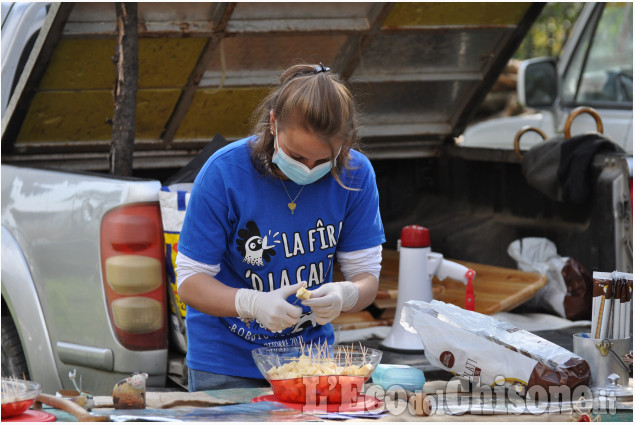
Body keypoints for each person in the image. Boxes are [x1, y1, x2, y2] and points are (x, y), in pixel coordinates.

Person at [176, 63, 385, 391]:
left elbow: (366, 278)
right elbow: (190, 282)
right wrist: (252, 304)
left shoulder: (356, 173)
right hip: (225, 366)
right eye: (298, 156)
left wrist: (347, 294)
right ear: (273, 124)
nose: (308, 169)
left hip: (310, 364)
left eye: (322, 160)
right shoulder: (224, 173)